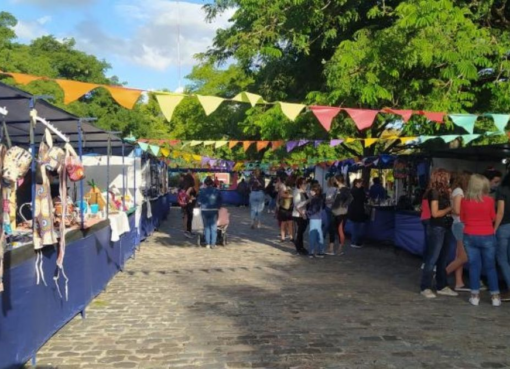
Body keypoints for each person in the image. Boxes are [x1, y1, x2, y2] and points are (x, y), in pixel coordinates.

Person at [460, 174, 501, 306]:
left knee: (474, 266)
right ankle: (495, 297)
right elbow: (493, 217)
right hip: (487, 235)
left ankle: (475, 296)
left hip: (470, 234)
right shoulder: (489, 201)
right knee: (490, 267)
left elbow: (462, 219)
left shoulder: (464, 201)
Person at [419, 169, 458, 299]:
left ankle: (442, 285)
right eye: (447, 177)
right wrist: (449, 208)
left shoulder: (444, 192)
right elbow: (435, 213)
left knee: (443, 258)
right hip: (437, 227)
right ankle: (425, 286)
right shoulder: (434, 193)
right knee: (432, 258)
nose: (449, 180)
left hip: (446, 226)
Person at [446, 171, 471, 292]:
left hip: (458, 224)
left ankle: (459, 283)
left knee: (459, 255)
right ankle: (442, 274)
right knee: (464, 257)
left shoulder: (457, 191)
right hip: (460, 224)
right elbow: (456, 210)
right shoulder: (459, 192)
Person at [494, 172, 510, 302]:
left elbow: (500, 212)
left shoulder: (502, 190)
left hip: (504, 226)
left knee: (502, 259)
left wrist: (494, 228)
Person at [328, 175, 352, 255]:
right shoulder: (337, 189)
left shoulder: (345, 189)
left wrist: (344, 205)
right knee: (332, 229)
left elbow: (350, 198)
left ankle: (340, 249)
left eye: (335, 180)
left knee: (340, 231)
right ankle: (331, 248)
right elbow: (336, 199)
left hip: (341, 213)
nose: (334, 181)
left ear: (338, 180)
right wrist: (331, 201)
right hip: (334, 211)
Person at [198, 176, 222, 249]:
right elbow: (220, 200)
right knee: (213, 226)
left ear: (205, 184)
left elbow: (199, 202)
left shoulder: (201, 191)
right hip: (214, 210)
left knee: (206, 227)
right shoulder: (216, 191)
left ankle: (207, 243)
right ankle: (213, 243)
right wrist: (218, 206)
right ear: (212, 183)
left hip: (204, 210)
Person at [306, 183, 325, 258]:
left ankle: (312, 251)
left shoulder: (315, 199)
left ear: (315, 191)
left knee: (312, 235)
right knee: (318, 235)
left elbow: (314, 209)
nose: (310, 191)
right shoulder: (320, 198)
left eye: (311, 190)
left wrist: (307, 212)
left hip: (314, 218)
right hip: (319, 218)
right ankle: (321, 251)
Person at [292, 177, 309, 255]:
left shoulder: (304, 192)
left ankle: (301, 247)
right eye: (304, 183)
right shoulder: (297, 192)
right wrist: (302, 214)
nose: (305, 185)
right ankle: (298, 248)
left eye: (306, 183)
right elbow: (297, 205)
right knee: (298, 232)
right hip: (298, 215)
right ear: (300, 184)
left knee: (301, 232)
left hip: (304, 214)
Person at [348, 179, 367, 249]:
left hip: (353, 211)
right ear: (356, 183)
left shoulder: (352, 190)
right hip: (357, 211)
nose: (361, 184)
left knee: (355, 227)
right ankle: (355, 242)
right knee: (357, 227)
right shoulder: (358, 191)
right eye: (360, 183)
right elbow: (364, 199)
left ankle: (354, 241)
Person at [277, 178, 294, 242]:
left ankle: (285, 237)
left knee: (285, 223)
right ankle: (288, 237)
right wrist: (292, 196)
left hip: (285, 207)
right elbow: (283, 195)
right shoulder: (286, 188)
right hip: (286, 207)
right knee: (287, 223)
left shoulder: (286, 187)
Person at [182, 173, 197, 239]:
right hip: (190, 204)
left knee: (187, 217)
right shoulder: (190, 187)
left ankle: (188, 231)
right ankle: (188, 231)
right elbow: (187, 194)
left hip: (186, 204)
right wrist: (190, 198)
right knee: (190, 218)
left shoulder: (185, 186)